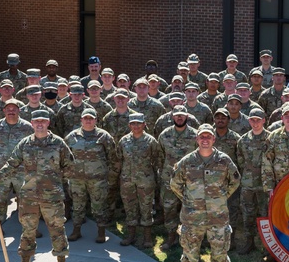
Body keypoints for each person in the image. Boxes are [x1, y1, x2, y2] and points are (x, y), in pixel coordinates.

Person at [0, 109, 74, 262]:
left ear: (48, 123)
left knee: (57, 230)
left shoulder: (58, 144)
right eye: (36, 121)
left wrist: (55, 182)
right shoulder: (25, 144)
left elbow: (70, 166)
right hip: (29, 196)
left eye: (43, 121)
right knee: (27, 230)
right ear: (32, 124)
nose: (39, 124)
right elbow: (10, 165)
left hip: (52, 196)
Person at [170, 124, 241, 262]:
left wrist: (220, 197)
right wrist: (189, 200)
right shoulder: (187, 162)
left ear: (213, 139)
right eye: (202, 136)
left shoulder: (224, 161)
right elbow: (175, 183)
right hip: (193, 219)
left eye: (208, 136)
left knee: (220, 257)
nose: (205, 140)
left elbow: (235, 180)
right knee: (189, 257)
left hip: (218, 218)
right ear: (197, 139)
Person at [65, 108, 120, 243]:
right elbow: (65, 158)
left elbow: (113, 159)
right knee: (77, 206)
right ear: (81, 120)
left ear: (96, 120)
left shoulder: (104, 137)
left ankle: (101, 232)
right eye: (86, 118)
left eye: (91, 118)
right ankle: (76, 230)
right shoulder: (72, 137)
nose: (88, 121)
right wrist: (67, 177)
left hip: (98, 180)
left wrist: (111, 179)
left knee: (99, 206)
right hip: (77, 179)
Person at [0, 99, 34, 239]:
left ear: (19, 110)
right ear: (4, 110)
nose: (11, 111)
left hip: (21, 170)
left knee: (25, 200)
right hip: (2, 171)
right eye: (8, 109)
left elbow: (31, 148)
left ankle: (29, 229)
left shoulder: (28, 127)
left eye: (14, 108)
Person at [116, 112, 162, 248]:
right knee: (129, 207)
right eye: (133, 123)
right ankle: (131, 235)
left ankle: (147, 237)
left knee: (146, 207)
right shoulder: (123, 141)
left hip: (145, 180)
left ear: (144, 124)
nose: (136, 126)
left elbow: (158, 159)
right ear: (129, 125)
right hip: (127, 180)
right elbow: (118, 159)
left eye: (139, 123)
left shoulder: (151, 141)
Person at [157, 106, 199, 250]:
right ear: (172, 116)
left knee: (191, 210)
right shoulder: (164, 135)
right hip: (170, 179)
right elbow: (159, 157)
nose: (179, 118)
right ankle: (171, 237)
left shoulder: (196, 136)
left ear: (187, 116)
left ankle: (190, 239)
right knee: (169, 208)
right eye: (177, 115)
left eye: (182, 115)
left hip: (190, 180)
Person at [236, 108, 270, 256]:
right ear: (249, 120)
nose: (255, 123)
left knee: (265, 214)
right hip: (248, 183)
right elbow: (240, 160)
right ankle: (249, 241)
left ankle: (267, 246)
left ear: (264, 120)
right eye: (252, 120)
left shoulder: (270, 138)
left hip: (265, 183)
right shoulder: (243, 140)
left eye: (258, 119)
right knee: (247, 213)